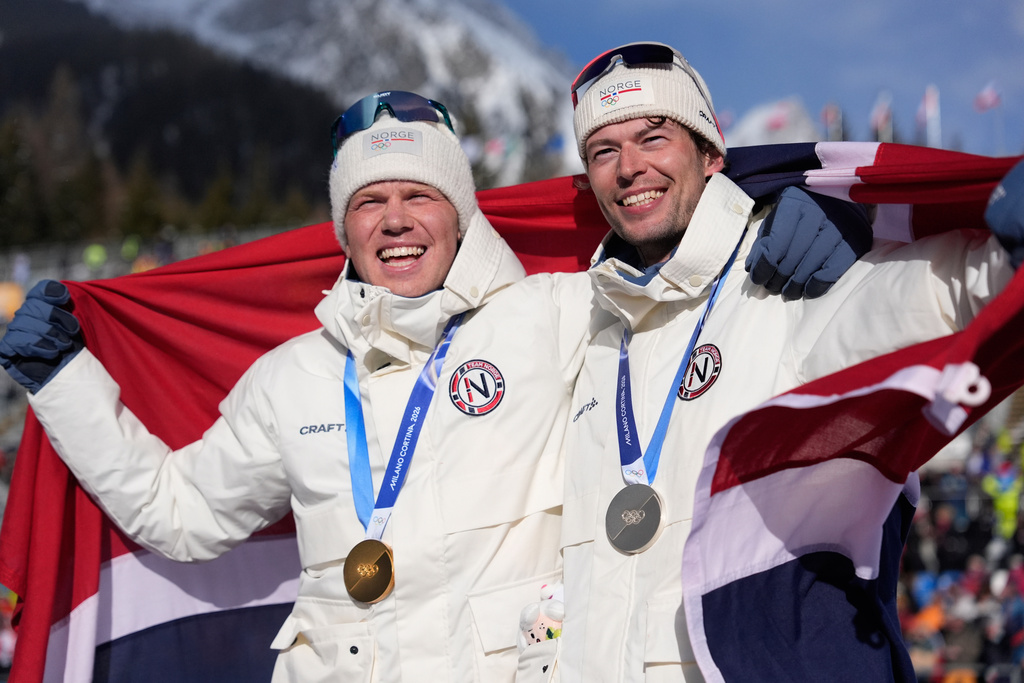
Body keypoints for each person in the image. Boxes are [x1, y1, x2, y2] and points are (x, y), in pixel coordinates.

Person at [0, 90, 871, 682]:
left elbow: (668, 269)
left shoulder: (553, 316)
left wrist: (782, 210)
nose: (395, 220)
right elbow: (179, 516)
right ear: (345, 227)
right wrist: (64, 378)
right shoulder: (295, 377)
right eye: (368, 201)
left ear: (460, 211)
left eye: (418, 193)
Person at [558, 41, 1023, 682]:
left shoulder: (786, 275)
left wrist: (1007, 250)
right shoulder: (578, 323)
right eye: (604, 151)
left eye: (653, 137)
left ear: (712, 154)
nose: (629, 167)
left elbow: (933, 297)